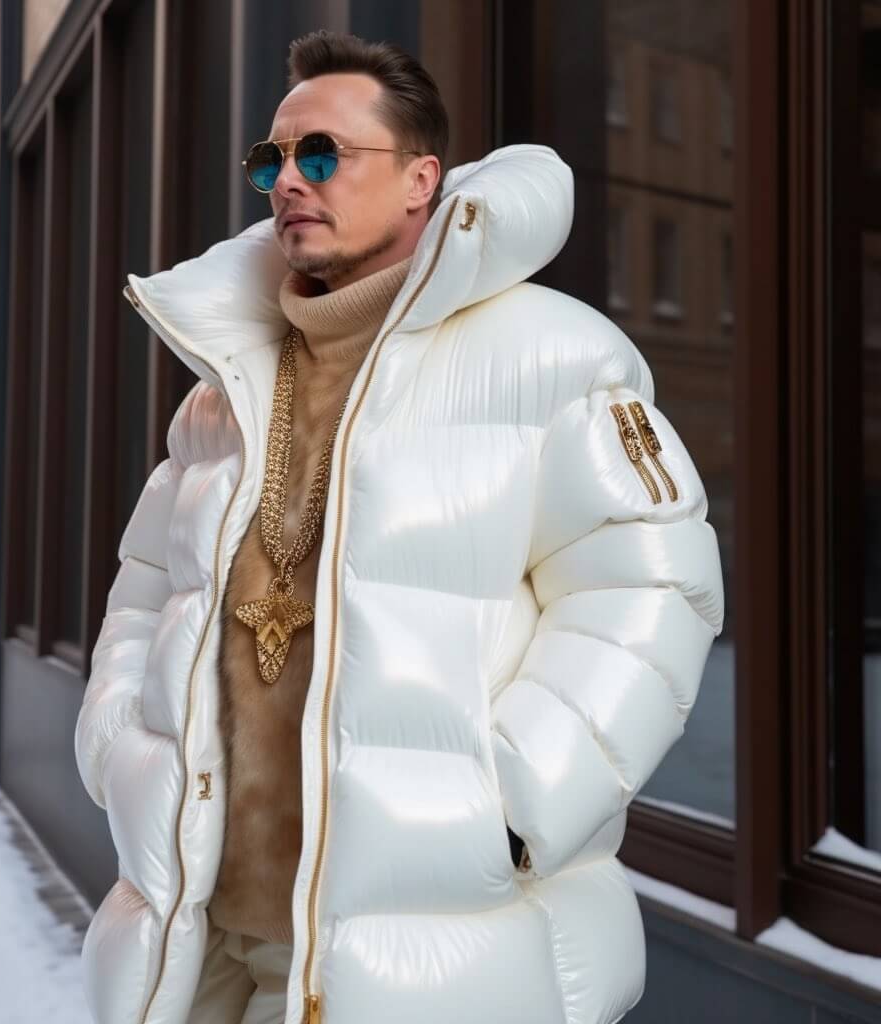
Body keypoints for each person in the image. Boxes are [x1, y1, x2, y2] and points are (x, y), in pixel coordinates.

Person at [74, 28, 724, 1024]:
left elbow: (652, 592)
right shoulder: (227, 387)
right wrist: (119, 744)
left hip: (435, 941)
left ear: (423, 178)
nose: (290, 180)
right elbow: (145, 595)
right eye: (271, 161)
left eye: (322, 153)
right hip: (207, 934)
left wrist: (514, 808)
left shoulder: (550, 355)